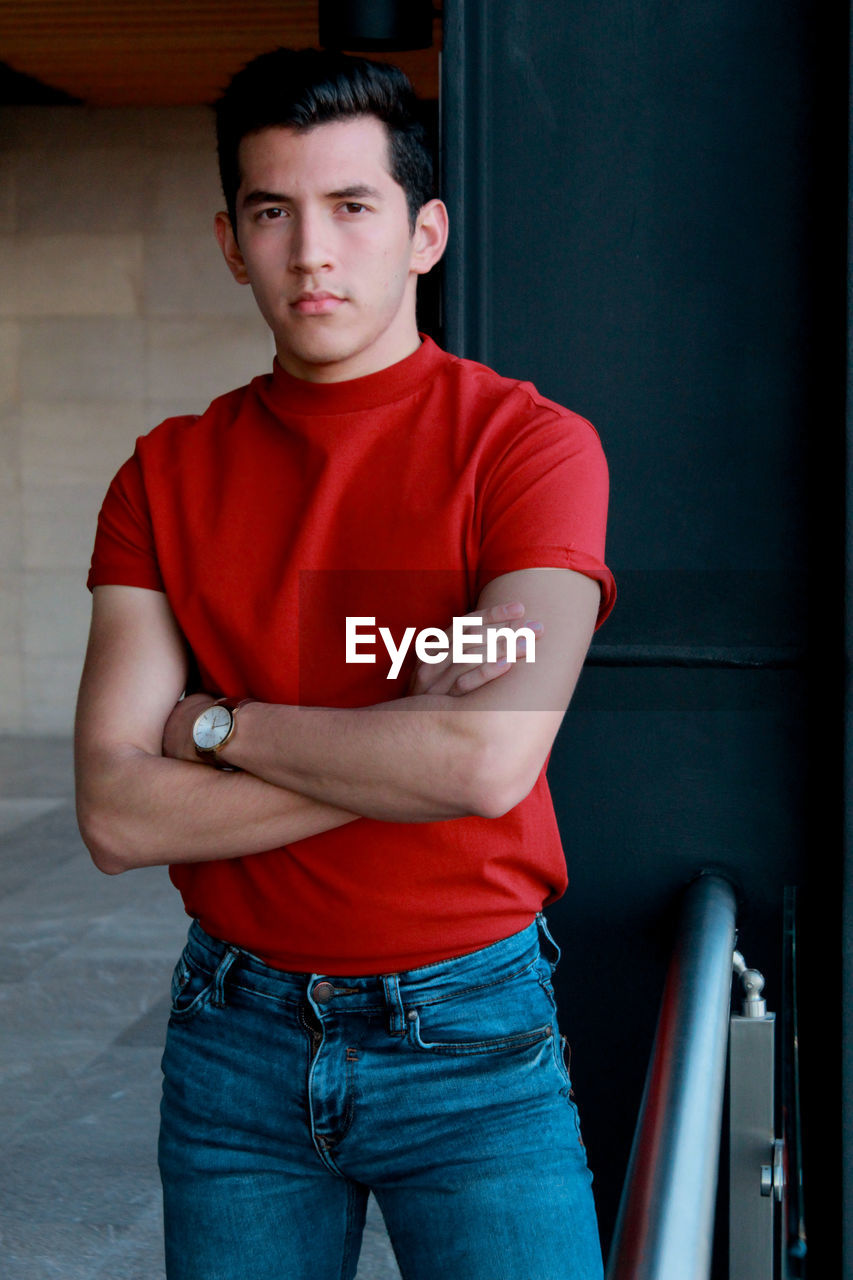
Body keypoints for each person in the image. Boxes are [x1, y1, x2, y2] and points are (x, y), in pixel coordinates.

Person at [74, 47, 615, 1280]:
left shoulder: (527, 450)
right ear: (231, 240)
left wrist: (215, 725)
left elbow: (483, 762)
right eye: (273, 212)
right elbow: (112, 810)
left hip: (472, 1036)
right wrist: (394, 742)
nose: (311, 250)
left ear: (424, 233)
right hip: (234, 1043)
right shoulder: (163, 475)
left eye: (351, 208)